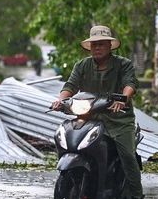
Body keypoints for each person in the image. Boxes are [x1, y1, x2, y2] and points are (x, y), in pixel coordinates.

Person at [51, 25, 143, 199]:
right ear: (90, 47)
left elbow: (130, 84)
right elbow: (70, 86)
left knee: (127, 156)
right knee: (68, 142)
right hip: (89, 118)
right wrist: (60, 100)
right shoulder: (82, 65)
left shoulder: (123, 64)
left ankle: (137, 195)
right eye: (94, 45)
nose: (98, 47)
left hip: (118, 120)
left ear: (110, 46)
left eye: (101, 44)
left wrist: (122, 99)